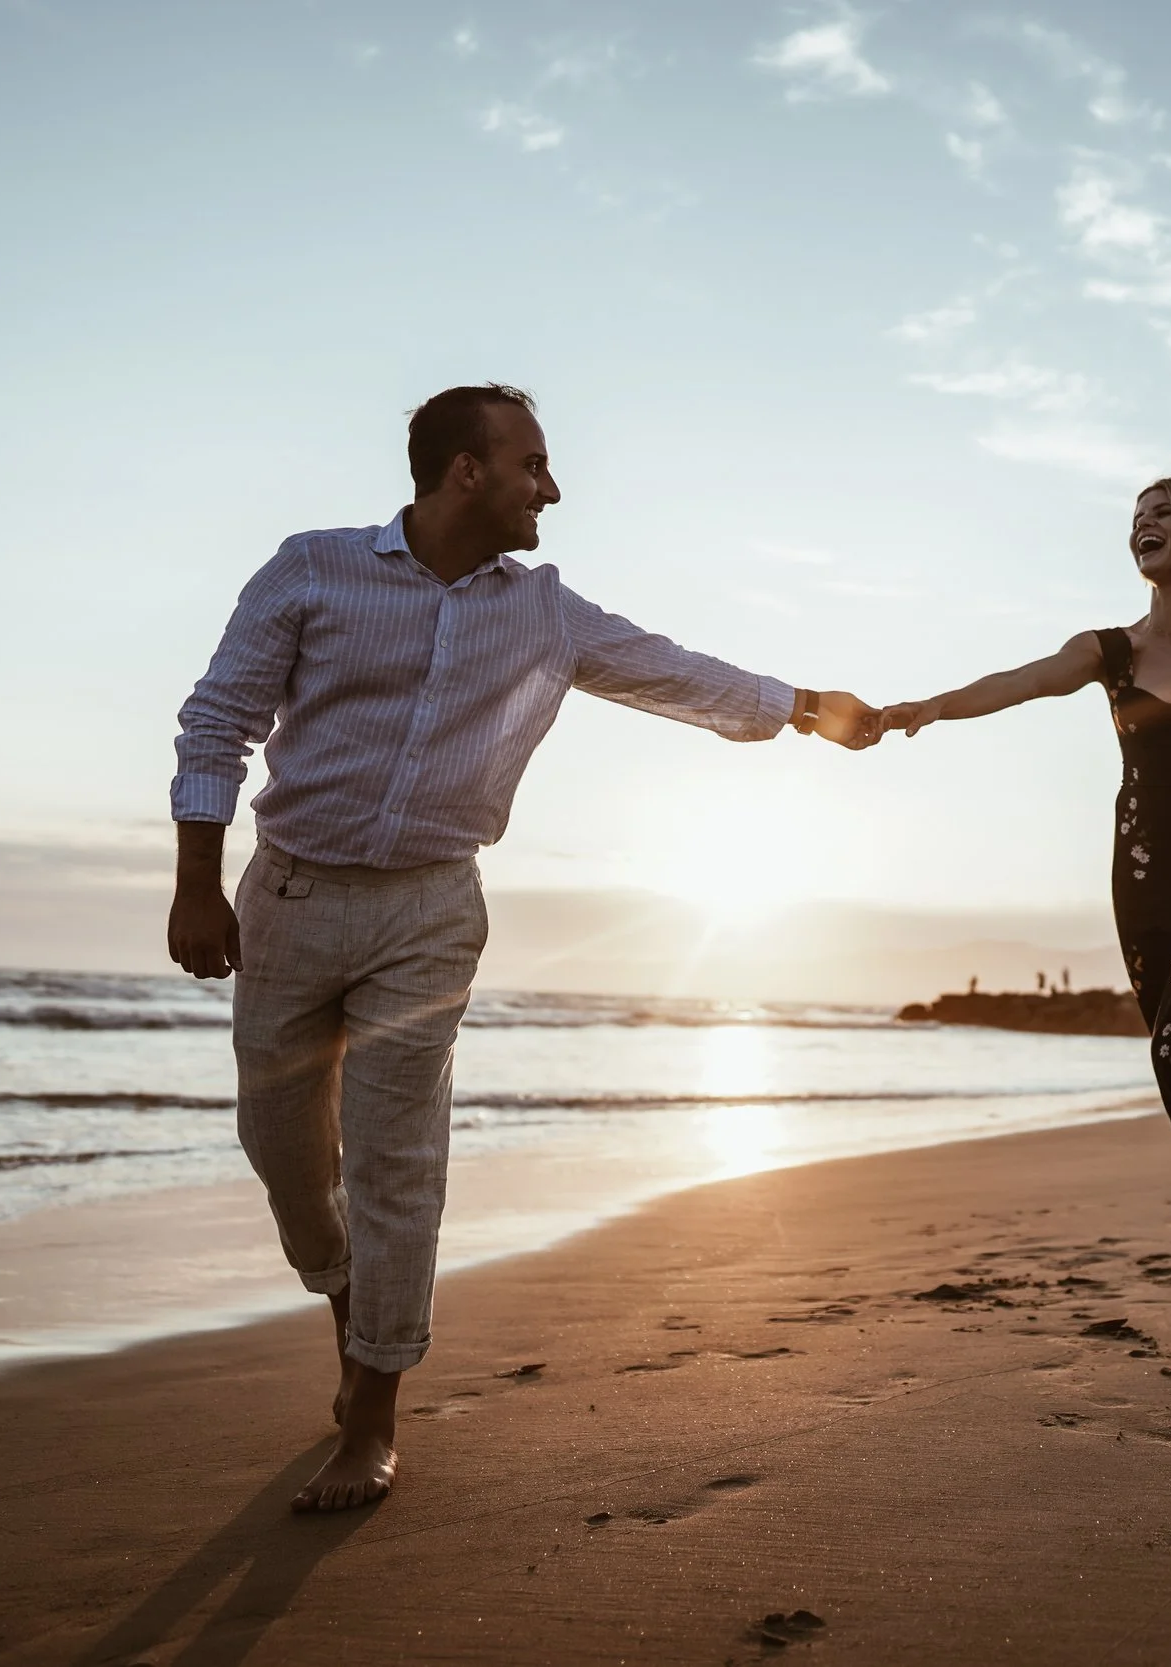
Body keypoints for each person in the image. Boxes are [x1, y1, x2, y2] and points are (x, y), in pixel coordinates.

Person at [166, 384, 880, 1510]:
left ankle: (375, 1410)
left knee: (398, 1160)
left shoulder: (542, 611)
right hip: (291, 894)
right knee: (283, 1148)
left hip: (430, 909)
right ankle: (353, 1303)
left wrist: (798, 706)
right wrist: (197, 885)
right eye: (533, 465)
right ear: (465, 471)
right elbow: (218, 719)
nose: (551, 487)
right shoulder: (311, 568)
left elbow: (668, 668)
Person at [881, 477, 1171, 1344]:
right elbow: (1023, 680)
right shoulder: (1110, 649)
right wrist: (933, 707)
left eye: (1160, 513)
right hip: (1143, 876)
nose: (1143, 526)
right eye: (1135, 519)